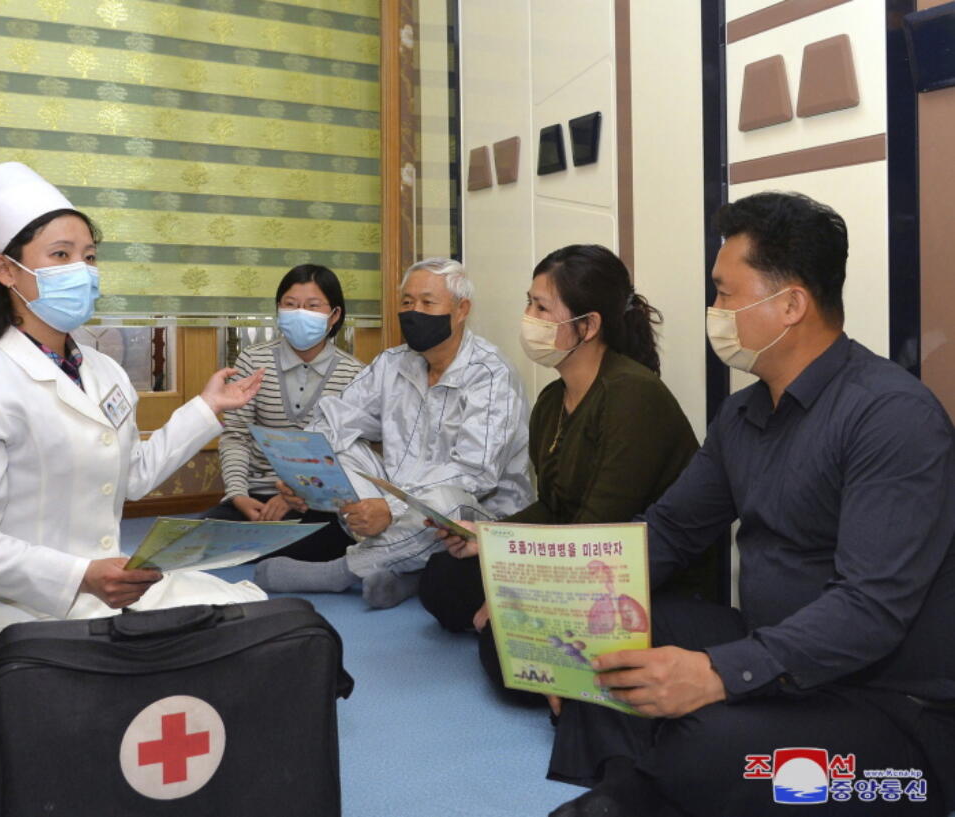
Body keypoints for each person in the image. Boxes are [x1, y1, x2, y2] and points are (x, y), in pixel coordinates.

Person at [548, 192, 955, 817]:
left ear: (790, 304)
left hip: (893, 710)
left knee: (710, 746)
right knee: (605, 637)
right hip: (773, 647)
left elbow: (870, 609)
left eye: (724, 294)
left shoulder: (892, 416)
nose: (714, 312)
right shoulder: (743, 413)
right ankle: (629, 787)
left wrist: (716, 674)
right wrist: (553, 596)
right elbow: (669, 531)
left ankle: (636, 785)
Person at [0, 163, 263, 726]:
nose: (83, 270)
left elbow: (133, 477)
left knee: (248, 619)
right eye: (60, 255)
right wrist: (79, 575)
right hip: (22, 614)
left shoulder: (103, 372)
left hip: (114, 589)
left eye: (90, 256)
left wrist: (207, 409)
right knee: (121, 707)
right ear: (7, 269)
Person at [418, 245, 704, 703]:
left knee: (503, 650)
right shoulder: (553, 400)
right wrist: (488, 538)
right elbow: (553, 507)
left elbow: (596, 530)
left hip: (636, 579)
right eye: (528, 302)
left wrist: (514, 590)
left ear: (588, 326)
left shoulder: (633, 396)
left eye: (541, 307)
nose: (528, 317)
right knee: (441, 577)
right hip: (574, 555)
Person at [252, 257, 534, 608]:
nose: (414, 312)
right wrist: (303, 475)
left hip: (478, 516)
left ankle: (342, 572)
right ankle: (405, 572)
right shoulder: (392, 363)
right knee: (341, 452)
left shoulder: (491, 376)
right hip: (396, 508)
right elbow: (335, 419)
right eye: (406, 302)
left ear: (461, 310)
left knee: (448, 501)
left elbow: (475, 475)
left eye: (427, 303)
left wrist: (391, 507)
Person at [202, 264, 365, 561]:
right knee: (201, 535)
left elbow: (347, 454)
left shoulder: (356, 374)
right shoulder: (253, 361)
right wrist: (239, 496)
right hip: (257, 495)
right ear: (278, 310)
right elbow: (236, 436)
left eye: (312, 306)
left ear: (335, 315)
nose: (300, 312)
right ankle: (268, 545)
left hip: (319, 503)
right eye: (290, 305)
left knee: (338, 536)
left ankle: (268, 550)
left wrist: (294, 495)